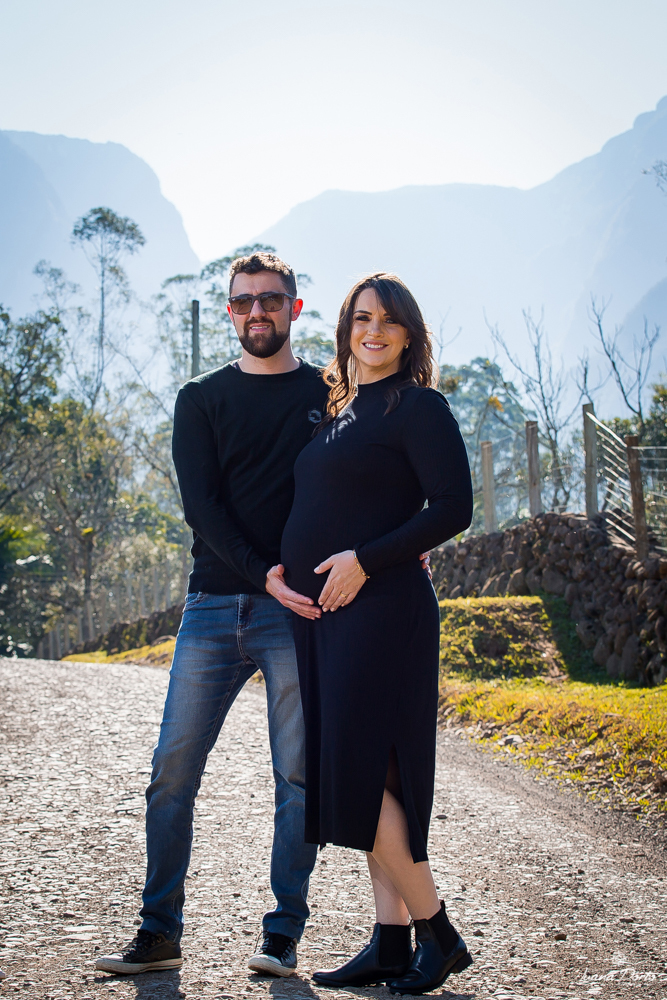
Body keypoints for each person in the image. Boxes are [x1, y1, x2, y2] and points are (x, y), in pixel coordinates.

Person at [96, 252, 329, 978]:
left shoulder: (330, 392)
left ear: (294, 307)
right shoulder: (200, 398)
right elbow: (202, 509)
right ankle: (159, 931)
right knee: (171, 773)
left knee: (297, 778)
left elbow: (370, 477)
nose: (255, 312)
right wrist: (263, 572)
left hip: (297, 615)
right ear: (228, 312)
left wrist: (398, 546)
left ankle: (282, 932)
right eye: (241, 303)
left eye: (269, 300)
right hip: (211, 606)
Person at [280, 273, 474, 995]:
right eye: (362, 318)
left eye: (389, 321)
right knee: (377, 776)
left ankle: (438, 933)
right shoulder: (339, 411)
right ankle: (390, 942)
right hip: (330, 619)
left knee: (361, 776)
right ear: (344, 328)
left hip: (383, 611)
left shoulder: (416, 407)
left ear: (409, 335)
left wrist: (364, 559)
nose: (373, 331)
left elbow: (454, 506)